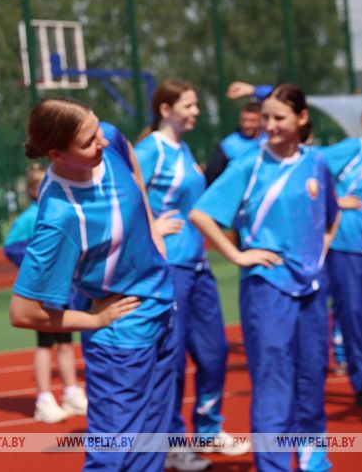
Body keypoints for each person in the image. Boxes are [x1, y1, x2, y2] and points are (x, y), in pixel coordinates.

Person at [9, 97, 172, 471]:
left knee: (151, 443)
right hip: (122, 338)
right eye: (88, 141)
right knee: (111, 457)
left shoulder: (107, 139)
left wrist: (151, 225)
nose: (102, 141)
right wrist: (94, 320)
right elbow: (22, 312)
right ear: (57, 154)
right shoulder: (60, 218)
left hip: (162, 306)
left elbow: (129, 159)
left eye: (97, 128)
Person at [190, 84, 339, 472]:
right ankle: (273, 464)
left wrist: (319, 251)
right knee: (274, 383)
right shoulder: (249, 164)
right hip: (267, 287)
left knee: (311, 376)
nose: (268, 126)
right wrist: (239, 255)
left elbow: (331, 213)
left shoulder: (316, 162)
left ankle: (313, 459)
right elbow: (201, 214)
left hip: (311, 288)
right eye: (265, 118)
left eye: (278, 118)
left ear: (301, 118)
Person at [134, 79, 249, 471]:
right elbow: (123, 196)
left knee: (214, 352)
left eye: (196, 104)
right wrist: (151, 227)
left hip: (198, 266)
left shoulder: (182, 149)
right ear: (165, 109)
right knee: (173, 358)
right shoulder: (150, 149)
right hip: (168, 269)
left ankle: (208, 428)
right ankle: (171, 444)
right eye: (189, 104)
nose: (196, 111)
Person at [4, 163, 88, 424]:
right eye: (41, 184)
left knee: (66, 342)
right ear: (32, 189)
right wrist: (38, 266)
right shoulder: (30, 217)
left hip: (64, 290)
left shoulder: (61, 210)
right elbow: (11, 247)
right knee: (45, 344)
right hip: (42, 293)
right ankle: (43, 399)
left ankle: (71, 392)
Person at [318, 105, 362, 407]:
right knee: (353, 312)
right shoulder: (353, 149)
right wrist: (334, 200)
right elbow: (309, 167)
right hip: (348, 245)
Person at [203, 85, 265, 185]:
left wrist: (254, 90)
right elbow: (211, 176)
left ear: (262, 121)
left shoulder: (270, 140)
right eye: (243, 120)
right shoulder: (229, 145)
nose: (246, 125)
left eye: (252, 121)